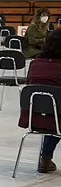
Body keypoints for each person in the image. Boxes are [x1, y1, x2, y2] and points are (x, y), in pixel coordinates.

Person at [19, 29, 61, 173]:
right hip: (57, 118)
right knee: (56, 115)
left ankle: (45, 159)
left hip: (34, 117)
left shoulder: (35, 63)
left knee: (53, 114)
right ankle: (46, 158)